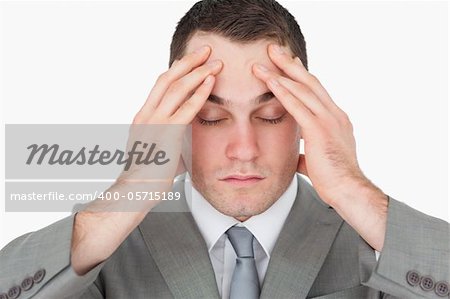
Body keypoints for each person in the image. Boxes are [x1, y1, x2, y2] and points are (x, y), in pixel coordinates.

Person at [0, 0, 448, 298]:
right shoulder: (105, 251)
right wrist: (129, 190)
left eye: (271, 115)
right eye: (210, 118)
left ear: (309, 116)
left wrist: (354, 191)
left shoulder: (374, 242)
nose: (243, 149)